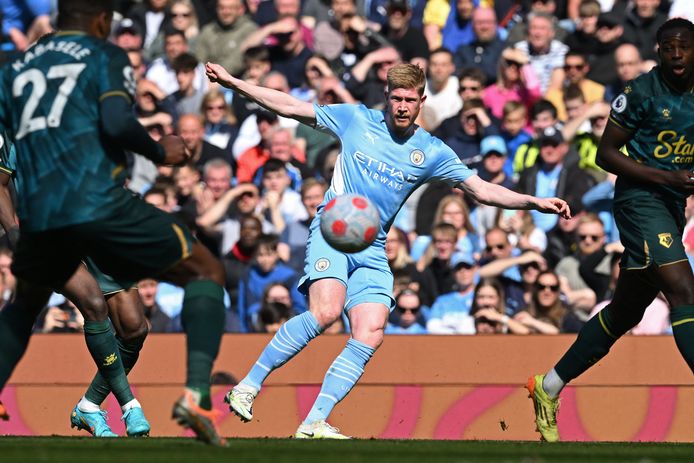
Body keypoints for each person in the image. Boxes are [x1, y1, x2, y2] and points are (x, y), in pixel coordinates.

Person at [205, 58, 570, 439]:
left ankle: (313, 422)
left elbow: (482, 190)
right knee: (325, 311)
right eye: (396, 98)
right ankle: (247, 386)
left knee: (370, 330)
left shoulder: (431, 151)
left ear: (421, 101)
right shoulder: (356, 120)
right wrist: (234, 83)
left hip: (373, 246)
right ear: (386, 97)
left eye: (409, 100)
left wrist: (534, 202)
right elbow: (291, 106)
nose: (401, 106)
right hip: (333, 229)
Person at [0, 0, 229, 446]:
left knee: (132, 325)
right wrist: (161, 151)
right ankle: (167, 401)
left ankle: (89, 406)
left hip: (78, 216)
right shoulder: (94, 65)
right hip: (80, 214)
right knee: (196, 273)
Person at [527, 18, 694, 444]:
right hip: (639, 201)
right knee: (683, 290)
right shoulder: (640, 93)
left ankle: (547, 386)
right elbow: (605, 153)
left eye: (684, 46)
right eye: (668, 47)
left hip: (671, 205)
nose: (676, 54)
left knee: (626, 312)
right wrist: (664, 177)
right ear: (657, 50)